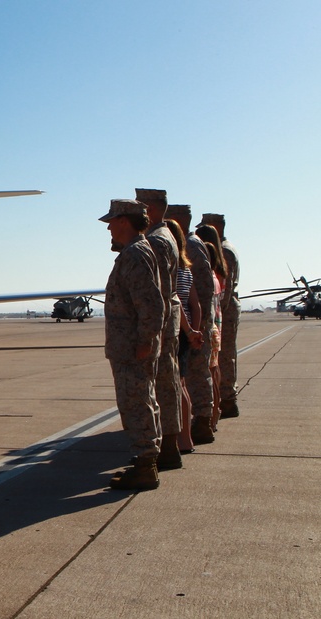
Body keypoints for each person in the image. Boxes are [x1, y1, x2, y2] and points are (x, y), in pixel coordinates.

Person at [100, 199, 165, 491]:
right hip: (129, 346)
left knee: (136, 403)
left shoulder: (135, 255)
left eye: (112, 222)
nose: (110, 228)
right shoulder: (134, 252)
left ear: (124, 221)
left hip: (132, 348)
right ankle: (145, 462)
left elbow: (151, 304)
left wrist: (144, 342)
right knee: (141, 402)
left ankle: (145, 465)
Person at [135, 188, 182, 471]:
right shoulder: (166, 237)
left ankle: (166, 450)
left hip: (160, 324)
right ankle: (168, 448)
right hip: (168, 320)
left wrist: (148, 332)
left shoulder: (155, 240)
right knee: (169, 383)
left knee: (163, 386)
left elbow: (156, 292)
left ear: (150, 209)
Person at [166, 204, 216, 445]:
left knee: (189, 378)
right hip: (191, 328)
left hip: (185, 329)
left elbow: (191, 298)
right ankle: (198, 425)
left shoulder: (189, 249)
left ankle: (200, 424)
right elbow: (195, 300)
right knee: (190, 378)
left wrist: (196, 329)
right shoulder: (186, 262)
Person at [166, 218, 203, 453]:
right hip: (186, 331)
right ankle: (186, 438)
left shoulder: (171, 269)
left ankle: (182, 440)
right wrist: (194, 332)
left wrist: (188, 331)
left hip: (177, 330)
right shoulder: (187, 270)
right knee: (183, 385)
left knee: (176, 387)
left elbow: (176, 301)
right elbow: (195, 304)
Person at [201, 213, 240, 418]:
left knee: (223, 357)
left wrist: (217, 316)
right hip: (222, 307)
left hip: (223, 308)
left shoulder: (224, 251)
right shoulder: (224, 248)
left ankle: (227, 399)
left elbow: (226, 286)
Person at [196, 225, 227, 429]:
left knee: (207, 373)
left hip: (210, 327)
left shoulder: (209, 275)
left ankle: (212, 413)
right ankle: (217, 410)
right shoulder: (220, 274)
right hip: (218, 325)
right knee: (214, 371)